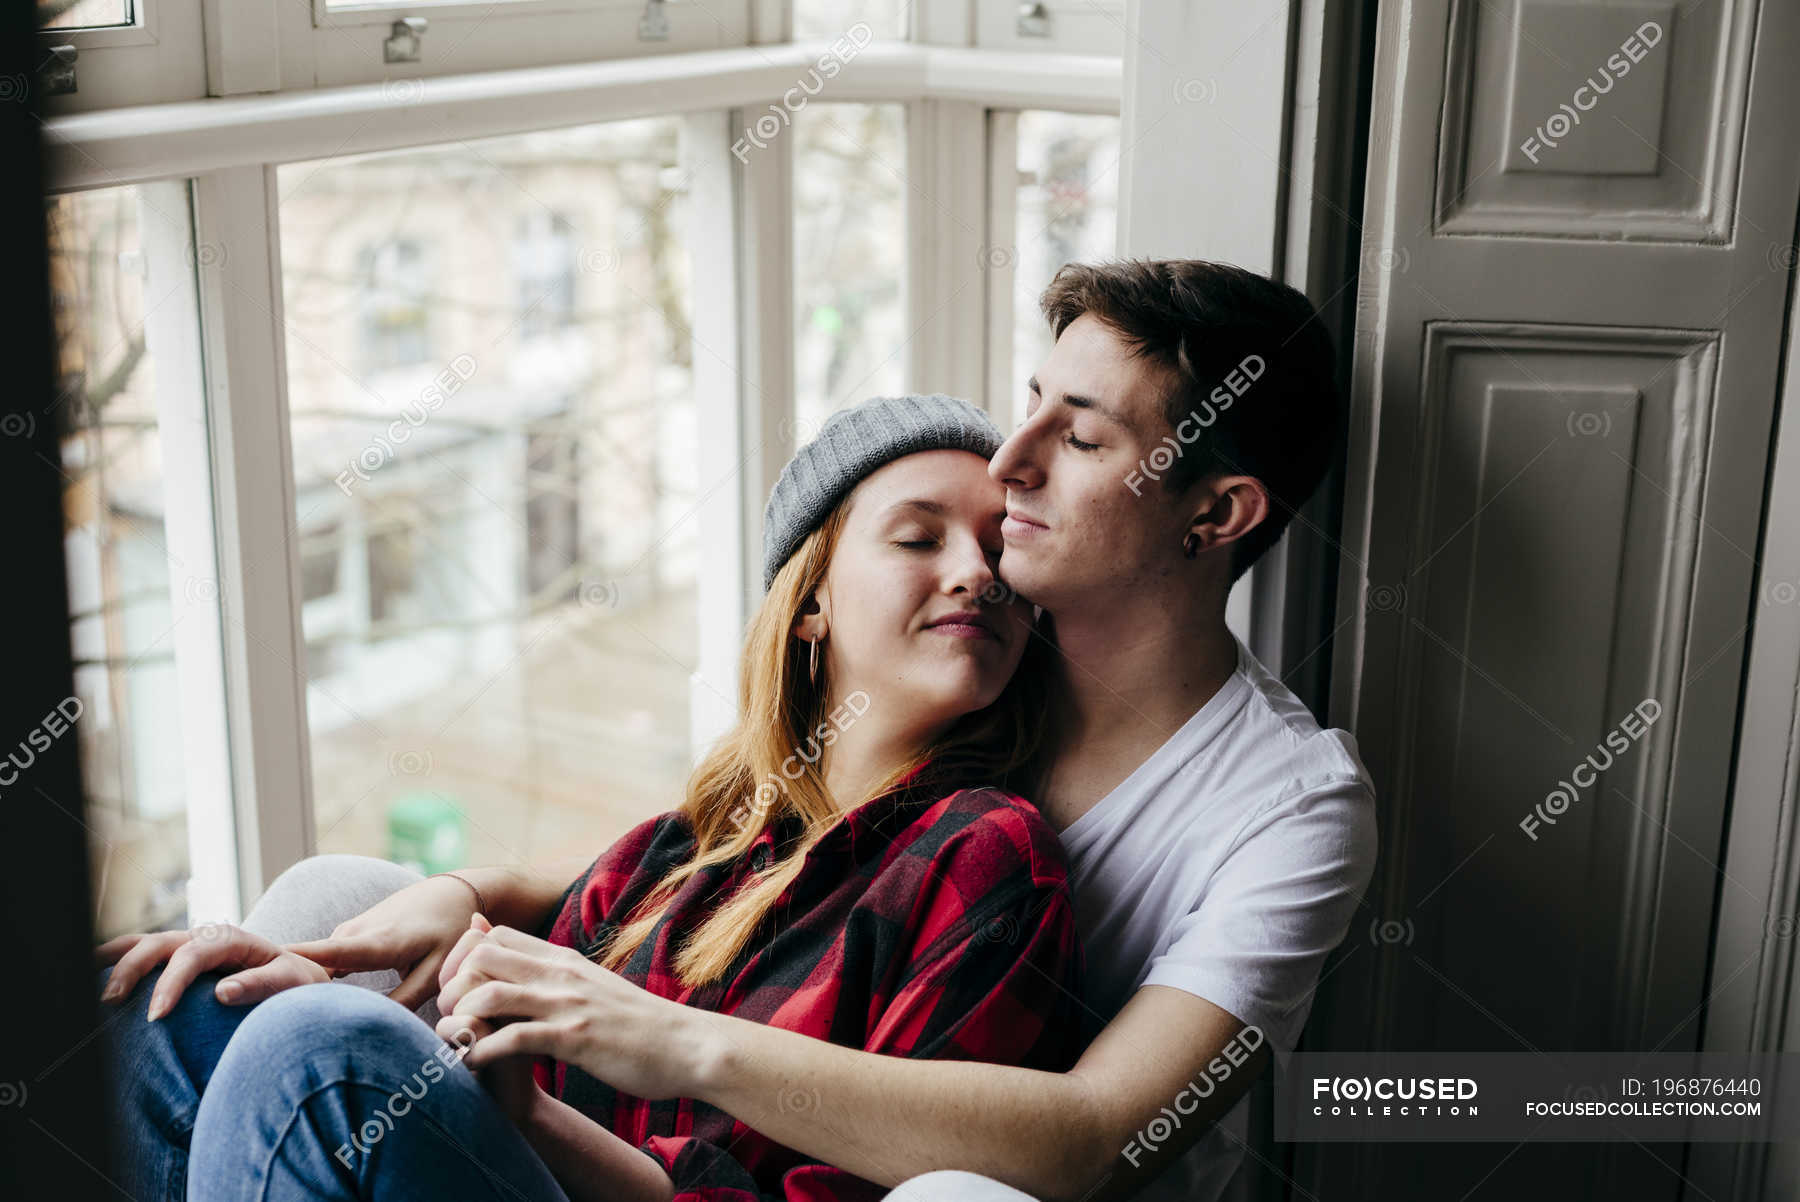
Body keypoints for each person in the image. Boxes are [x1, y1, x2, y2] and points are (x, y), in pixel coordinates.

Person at [402, 259, 1379, 1202]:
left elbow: (1095, 1134)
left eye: (1078, 440)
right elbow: (735, 850)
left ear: (1212, 511)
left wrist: (668, 1039)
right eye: (1029, 400)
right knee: (335, 947)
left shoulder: (1293, 806)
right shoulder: (966, 659)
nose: (1009, 461)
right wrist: (470, 894)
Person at [94, 394, 1090, 1202]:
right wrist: (418, 945)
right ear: (812, 603)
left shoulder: (987, 855)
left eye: (1001, 551)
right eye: (920, 538)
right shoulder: (693, 845)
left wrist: (523, 1117)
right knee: (167, 1006)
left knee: (322, 1053)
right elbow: (531, 1004)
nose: (977, 572)